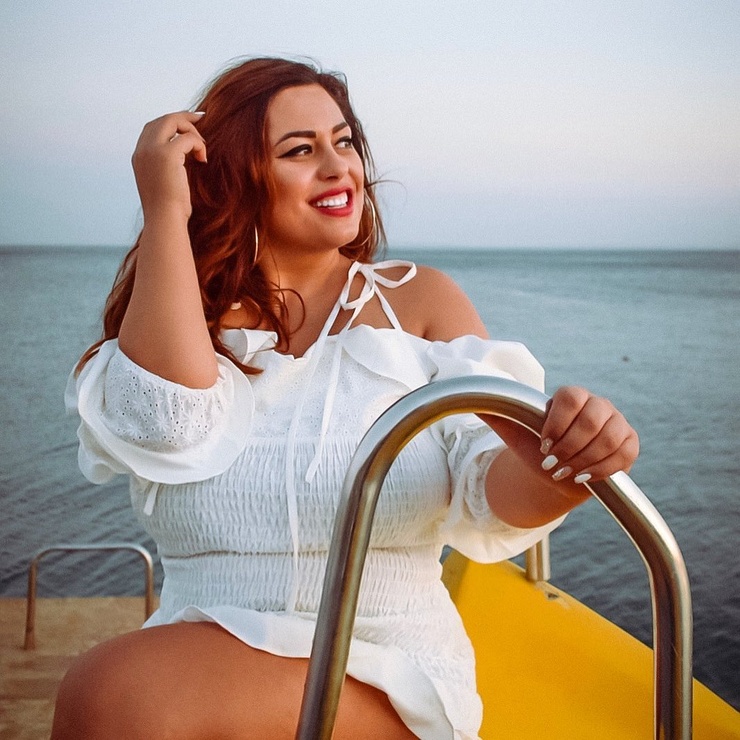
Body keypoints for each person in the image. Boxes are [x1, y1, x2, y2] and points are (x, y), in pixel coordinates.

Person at [54, 57, 639, 739]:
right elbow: (167, 426)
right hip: (200, 659)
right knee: (129, 692)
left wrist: (565, 463)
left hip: (383, 670)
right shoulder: (184, 321)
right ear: (235, 175)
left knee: (113, 692)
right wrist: (166, 210)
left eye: (345, 141)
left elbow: (491, 493)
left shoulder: (420, 302)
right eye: (300, 150)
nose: (339, 168)